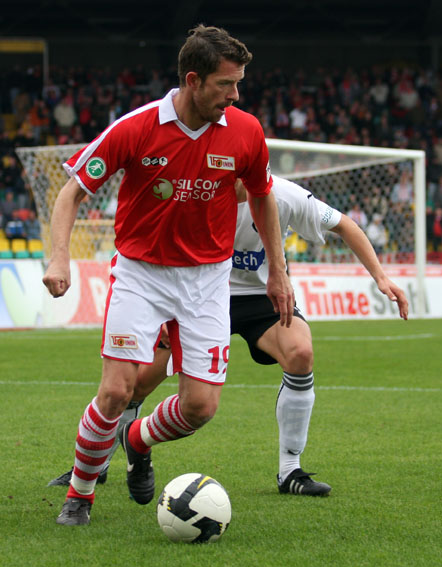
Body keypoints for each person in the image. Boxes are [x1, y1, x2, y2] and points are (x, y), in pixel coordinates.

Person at [42, 25, 294, 526]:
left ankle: (136, 441)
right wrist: (59, 257)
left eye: (239, 83)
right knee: (117, 391)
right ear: (193, 80)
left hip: (208, 280)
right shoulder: (136, 127)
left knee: (200, 407)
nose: (235, 95)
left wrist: (278, 271)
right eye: (226, 84)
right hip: (142, 275)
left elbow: (262, 197)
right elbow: (71, 191)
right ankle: (80, 493)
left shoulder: (246, 131)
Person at [49, 175, 408, 497]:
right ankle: (98, 464)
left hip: (260, 298)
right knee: (135, 384)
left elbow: (344, 225)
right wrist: (162, 313)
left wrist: (380, 276)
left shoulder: (284, 196)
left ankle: (290, 471)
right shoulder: (196, 194)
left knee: (301, 353)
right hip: (197, 294)